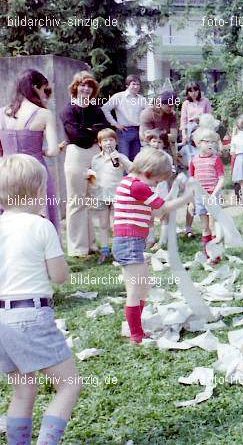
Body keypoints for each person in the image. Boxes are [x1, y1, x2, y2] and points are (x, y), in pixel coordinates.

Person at [0, 154, 81, 445]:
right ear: (38, 193)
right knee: (69, 384)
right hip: (30, 315)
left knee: (23, 390)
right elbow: (59, 276)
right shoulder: (40, 226)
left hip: (2, 320)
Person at [113, 148, 193, 344]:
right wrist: (185, 199)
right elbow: (162, 209)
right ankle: (135, 334)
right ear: (148, 173)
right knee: (136, 289)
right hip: (129, 243)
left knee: (143, 286)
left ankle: (136, 327)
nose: (156, 186)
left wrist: (174, 191)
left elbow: (157, 213)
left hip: (131, 243)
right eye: (157, 181)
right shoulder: (137, 186)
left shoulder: (132, 183)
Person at [0, 69, 61, 234]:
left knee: (8, 216)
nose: (44, 93)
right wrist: (39, 150)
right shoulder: (44, 114)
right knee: (38, 215)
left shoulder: (2, 112)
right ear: (35, 87)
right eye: (43, 89)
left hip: (6, 170)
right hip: (34, 170)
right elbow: (54, 150)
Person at [61, 71, 110, 257]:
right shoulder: (68, 110)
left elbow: (106, 130)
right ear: (75, 87)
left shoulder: (96, 109)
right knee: (76, 201)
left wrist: (89, 130)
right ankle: (77, 248)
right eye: (82, 85)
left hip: (95, 154)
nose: (86, 89)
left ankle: (91, 245)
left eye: (89, 86)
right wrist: (92, 131)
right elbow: (76, 136)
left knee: (91, 200)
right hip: (77, 155)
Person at [87, 128, 132, 264]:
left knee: (116, 224)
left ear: (116, 142)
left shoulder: (120, 157)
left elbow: (132, 169)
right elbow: (92, 176)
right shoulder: (96, 159)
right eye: (105, 140)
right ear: (100, 144)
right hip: (100, 195)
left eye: (111, 140)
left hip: (116, 195)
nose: (108, 143)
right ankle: (105, 250)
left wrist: (121, 160)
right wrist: (91, 182)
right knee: (103, 224)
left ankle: (119, 250)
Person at [190, 120, 226, 263]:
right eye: (207, 141)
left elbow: (222, 178)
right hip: (200, 197)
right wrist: (191, 201)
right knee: (205, 227)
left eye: (213, 142)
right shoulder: (194, 161)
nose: (211, 144)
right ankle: (207, 253)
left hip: (212, 196)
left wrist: (214, 194)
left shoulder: (216, 160)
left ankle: (216, 255)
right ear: (198, 143)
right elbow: (191, 181)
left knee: (213, 225)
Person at [100, 74, 147, 161]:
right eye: (133, 84)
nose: (136, 87)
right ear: (127, 85)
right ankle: (123, 175)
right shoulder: (118, 97)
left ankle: (132, 175)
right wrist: (115, 124)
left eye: (138, 84)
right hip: (124, 132)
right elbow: (105, 109)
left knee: (136, 160)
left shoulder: (142, 99)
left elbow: (148, 113)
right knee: (123, 158)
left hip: (138, 131)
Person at [139, 91, 179, 159]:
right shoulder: (147, 114)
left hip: (166, 146)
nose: (172, 109)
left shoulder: (172, 114)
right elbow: (145, 137)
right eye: (169, 106)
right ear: (160, 104)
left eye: (173, 106)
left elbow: (174, 137)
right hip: (149, 146)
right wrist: (163, 136)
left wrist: (157, 135)